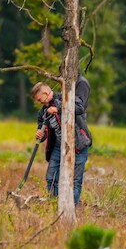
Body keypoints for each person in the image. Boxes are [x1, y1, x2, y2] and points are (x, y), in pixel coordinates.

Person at [32, 75, 92, 206]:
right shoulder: (42, 112)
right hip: (58, 147)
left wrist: (59, 109)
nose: (41, 104)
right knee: (51, 178)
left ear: (47, 93)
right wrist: (40, 135)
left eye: (41, 100)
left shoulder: (64, 97)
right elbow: (42, 135)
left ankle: (70, 208)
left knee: (75, 181)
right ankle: (56, 205)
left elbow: (80, 108)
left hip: (79, 144)